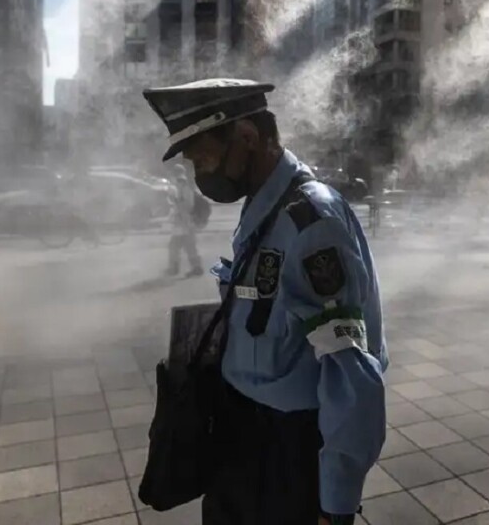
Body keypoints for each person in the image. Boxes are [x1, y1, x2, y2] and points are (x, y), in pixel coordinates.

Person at [143, 78, 388, 525]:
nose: (202, 174)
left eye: (205, 156)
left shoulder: (312, 223)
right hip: (239, 441)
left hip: (283, 456)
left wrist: (334, 504)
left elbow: (352, 377)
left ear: (248, 138)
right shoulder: (263, 205)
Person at [166, 163, 204, 276]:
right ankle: (190, 267)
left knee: (178, 245)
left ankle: (179, 268)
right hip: (184, 221)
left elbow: (187, 204)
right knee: (186, 246)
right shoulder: (183, 184)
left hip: (185, 221)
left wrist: (177, 202)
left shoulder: (183, 185)